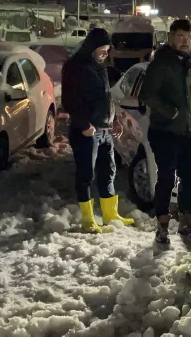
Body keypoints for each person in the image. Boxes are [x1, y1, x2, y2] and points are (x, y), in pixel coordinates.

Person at [138, 19, 191, 245]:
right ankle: (162, 224)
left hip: (186, 131)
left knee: (189, 175)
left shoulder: (187, 63)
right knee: (167, 178)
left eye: (188, 37)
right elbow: (146, 94)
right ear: (170, 38)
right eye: (180, 37)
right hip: (164, 132)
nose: (185, 41)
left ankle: (186, 219)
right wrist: (170, 112)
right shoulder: (162, 63)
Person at [61, 28, 132, 233]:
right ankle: (88, 220)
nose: (105, 54)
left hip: (104, 130)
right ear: (92, 47)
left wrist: (114, 120)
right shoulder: (75, 67)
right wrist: (84, 125)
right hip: (86, 131)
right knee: (86, 175)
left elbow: (106, 97)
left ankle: (110, 214)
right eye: (102, 49)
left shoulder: (100, 67)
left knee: (108, 171)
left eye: (107, 50)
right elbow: (69, 100)